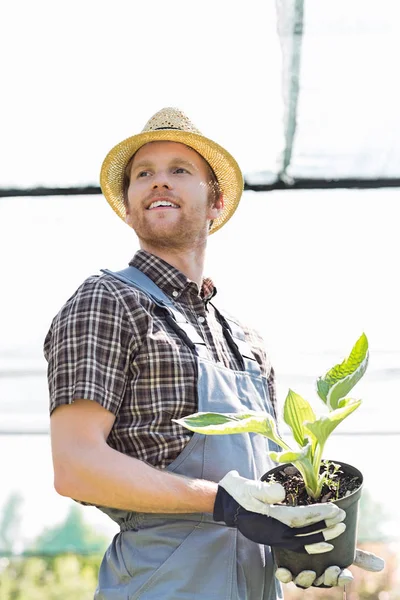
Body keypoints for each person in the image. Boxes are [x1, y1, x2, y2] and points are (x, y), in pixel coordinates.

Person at [45, 107, 384, 599]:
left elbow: (263, 495)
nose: (159, 183)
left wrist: (309, 542)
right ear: (127, 205)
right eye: (144, 174)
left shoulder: (247, 344)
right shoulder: (109, 300)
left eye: (179, 171)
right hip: (160, 585)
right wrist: (224, 504)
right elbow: (75, 464)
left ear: (216, 202)